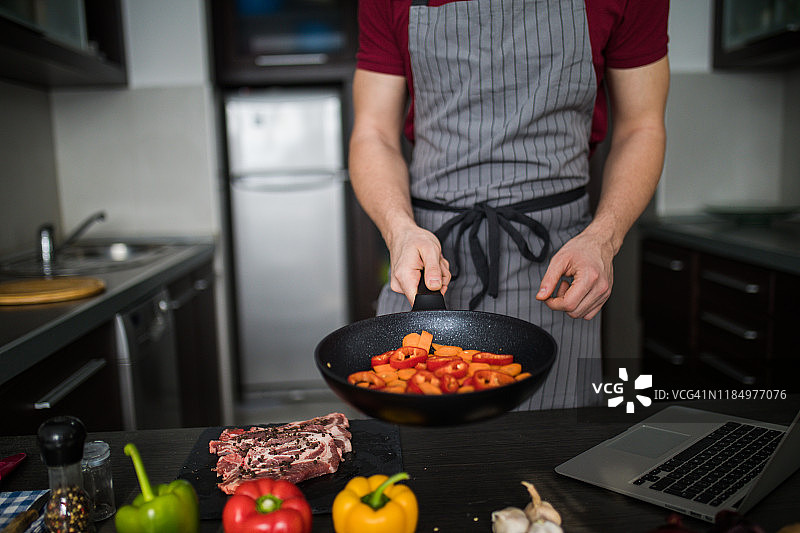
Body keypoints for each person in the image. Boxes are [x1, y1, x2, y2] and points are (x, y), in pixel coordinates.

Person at [348, 0, 670, 409]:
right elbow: (373, 132)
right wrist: (400, 232)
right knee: (412, 443)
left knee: (550, 444)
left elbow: (641, 126)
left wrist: (604, 239)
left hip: (559, 266)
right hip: (424, 254)